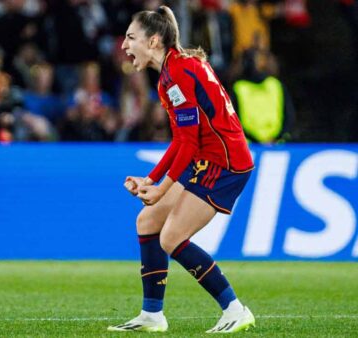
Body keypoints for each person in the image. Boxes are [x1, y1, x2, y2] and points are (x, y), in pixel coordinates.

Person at [108, 7, 255, 333]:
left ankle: (235, 308)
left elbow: (189, 143)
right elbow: (181, 140)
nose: (124, 45)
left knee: (172, 237)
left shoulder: (179, 74)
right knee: (147, 221)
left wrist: (160, 188)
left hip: (225, 163)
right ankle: (152, 315)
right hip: (207, 158)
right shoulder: (170, 76)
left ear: (154, 40)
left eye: (131, 37)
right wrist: (151, 178)